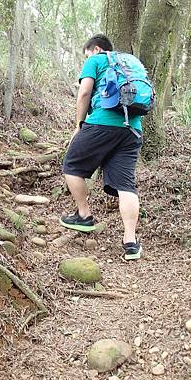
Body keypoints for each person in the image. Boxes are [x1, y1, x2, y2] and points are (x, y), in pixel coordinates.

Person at [60, 33, 143, 260]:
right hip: (132, 129)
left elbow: (85, 92)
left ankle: (84, 216)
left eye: (86, 55)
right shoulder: (132, 63)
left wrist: (79, 124)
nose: (86, 59)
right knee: (126, 185)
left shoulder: (96, 60)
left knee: (71, 165)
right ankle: (130, 242)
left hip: (101, 124)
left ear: (96, 49)